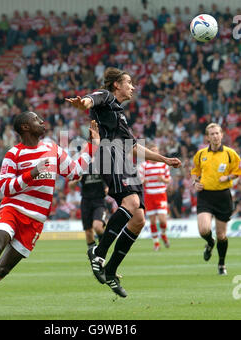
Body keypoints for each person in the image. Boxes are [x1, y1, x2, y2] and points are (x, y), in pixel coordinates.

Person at [0, 111, 100, 315]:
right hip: (13, 208)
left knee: (2, 269)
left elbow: (74, 172)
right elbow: (5, 188)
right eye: (36, 120)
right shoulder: (14, 154)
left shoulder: (53, 149)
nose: (42, 122)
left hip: (35, 219)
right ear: (25, 127)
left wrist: (92, 145)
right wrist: (32, 173)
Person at [66, 67, 181, 297]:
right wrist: (84, 103)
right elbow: (92, 99)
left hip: (123, 160)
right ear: (117, 84)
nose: (133, 87)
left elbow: (135, 148)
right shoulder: (107, 97)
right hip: (108, 156)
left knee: (138, 218)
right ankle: (98, 253)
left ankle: (110, 271)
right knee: (131, 202)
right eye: (129, 82)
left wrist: (164, 159)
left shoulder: (119, 113)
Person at [191, 123, 241, 275]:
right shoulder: (200, 154)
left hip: (223, 196)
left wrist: (229, 176)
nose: (215, 136)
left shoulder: (230, 153)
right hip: (205, 196)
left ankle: (221, 264)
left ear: (222, 135)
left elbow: (238, 171)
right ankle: (209, 243)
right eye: (211, 134)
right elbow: (195, 171)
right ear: (207, 137)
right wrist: (195, 182)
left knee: (222, 235)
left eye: (217, 133)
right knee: (204, 229)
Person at [139, 143, 171, 251]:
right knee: (152, 221)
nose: (154, 153)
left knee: (162, 220)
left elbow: (168, 180)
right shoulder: (144, 165)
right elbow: (139, 180)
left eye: (156, 151)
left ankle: (163, 234)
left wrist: (163, 180)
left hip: (161, 194)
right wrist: (144, 181)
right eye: (152, 151)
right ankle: (156, 243)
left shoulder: (163, 165)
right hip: (149, 196)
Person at [68, 173, 108, 250]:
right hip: (86, 202)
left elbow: (108, 185)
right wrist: (77, 180)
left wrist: (107, 188)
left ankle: (102, 249)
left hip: (99, 201)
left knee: (97, 227)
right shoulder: (82, 168)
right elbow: (70, 186)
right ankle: (93, 255)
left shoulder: (102, 167)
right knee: (88, 231)